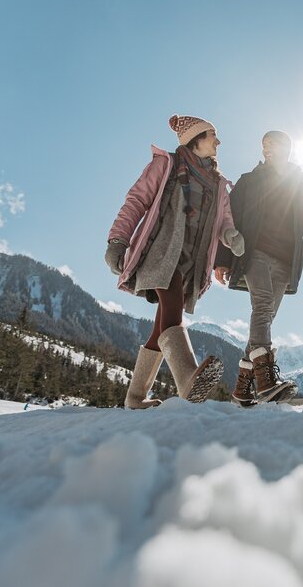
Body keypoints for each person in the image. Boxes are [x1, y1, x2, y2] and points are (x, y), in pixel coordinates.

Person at [106, 115, 245, 409]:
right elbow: (137, 200)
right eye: (212, 135)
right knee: (170, 309)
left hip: (190, 263)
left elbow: (225, 221)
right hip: (159, 251)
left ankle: (134, 397)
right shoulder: (166, 165)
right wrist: (118, 240)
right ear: (195, 139)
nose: (218, 142)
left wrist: (231, 236)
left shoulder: (218, 184)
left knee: (162, 326)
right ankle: (188, 380)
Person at [214, 131, 303, 405]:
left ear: (287, 149)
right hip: (253, 253)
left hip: (285, 259)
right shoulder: (249, 181)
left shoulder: (300, 184)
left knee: (266, 317)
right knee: (263, 304)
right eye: (264, 145)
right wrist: (221, 259)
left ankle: (242, 390)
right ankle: (266, 382)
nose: (268, 149)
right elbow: (228, 220)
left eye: (274, 144)